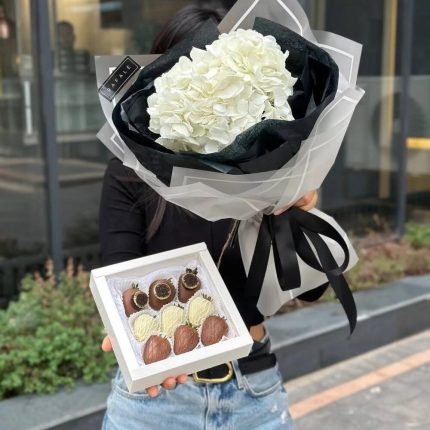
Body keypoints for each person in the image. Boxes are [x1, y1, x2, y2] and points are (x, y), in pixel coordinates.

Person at [99, 5, 318, 429]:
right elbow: (121, 280)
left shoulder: (272, 173)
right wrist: (127, 335)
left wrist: (296, 208)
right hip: (154, 400)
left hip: (253, 392)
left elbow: (310, 291)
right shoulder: (129, 173)